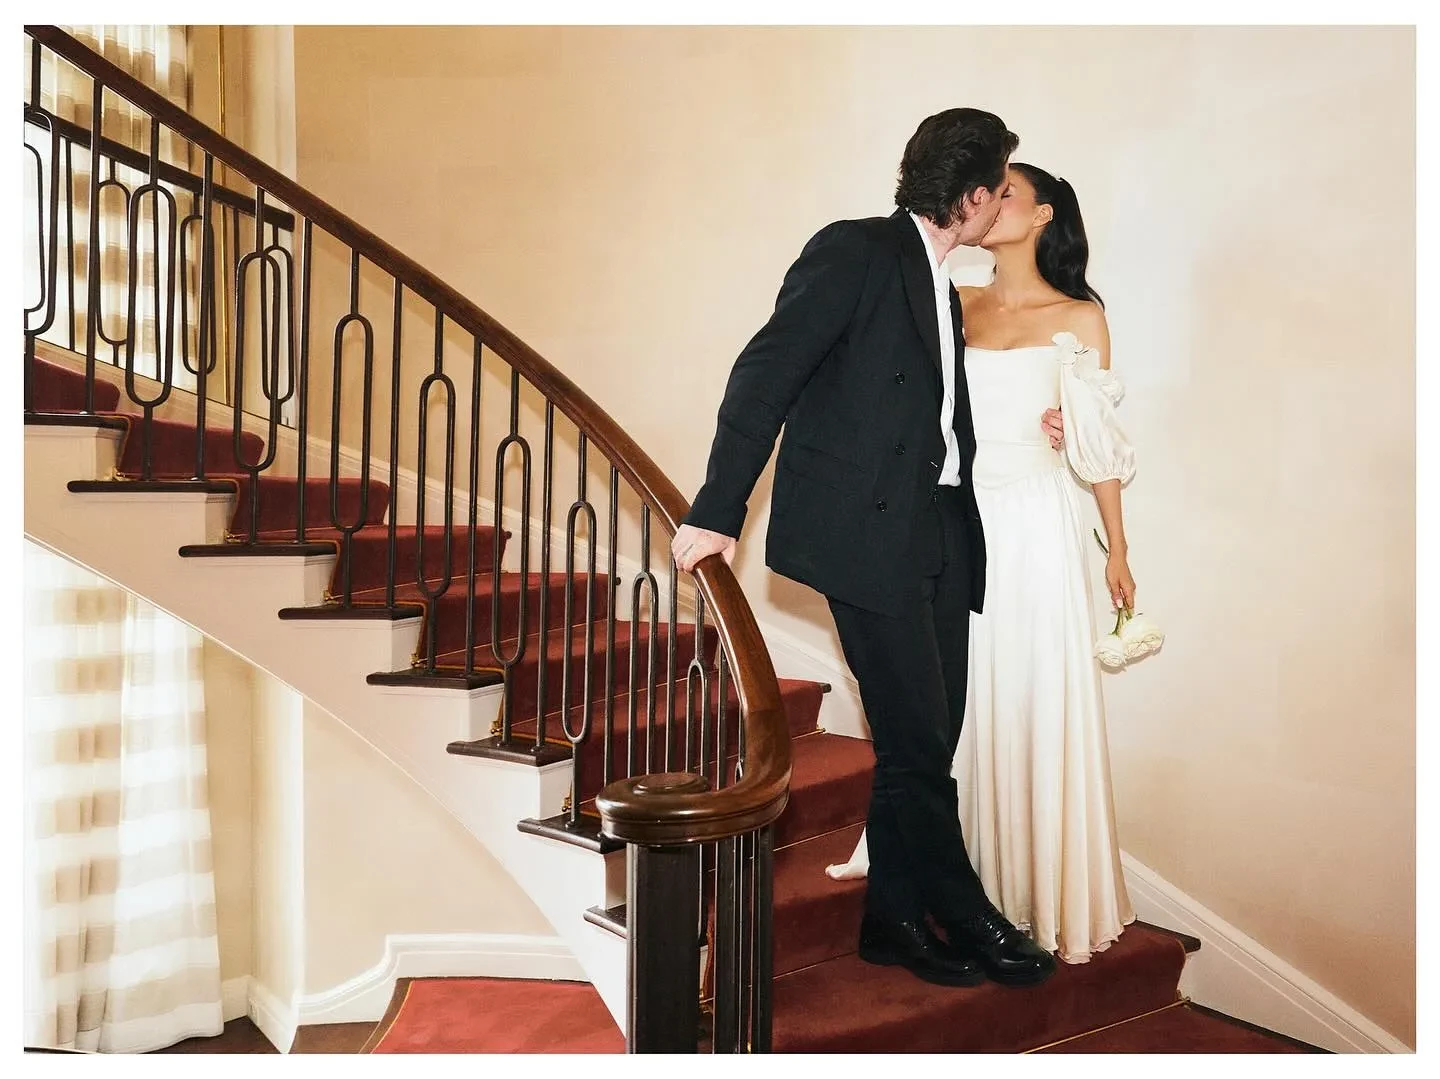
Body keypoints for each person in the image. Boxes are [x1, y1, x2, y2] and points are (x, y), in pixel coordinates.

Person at [672, 109, 1059, 989]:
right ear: (971, 197)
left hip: (941, 529)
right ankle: (967, 910)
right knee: (918, 741)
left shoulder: (944, 282)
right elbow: (764, 374)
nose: (1004, 200)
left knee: (928, 736)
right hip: (866, 535)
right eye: (1000, 186)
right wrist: (720, 506)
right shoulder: (856, 250)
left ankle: (892, 922)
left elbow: (931, 418)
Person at [825, 162, 1138, 965]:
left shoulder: (1080, 315)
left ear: (1043, 215)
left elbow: (1098, 443)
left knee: (1028, 693)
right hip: (952, 521)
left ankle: (1025, 889)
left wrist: (1118, 547)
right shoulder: (951, 297)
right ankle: (951, 883)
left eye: (1008, 192)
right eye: (988, 190)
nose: (991, 202)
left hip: (1034, 525)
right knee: (945, 710)